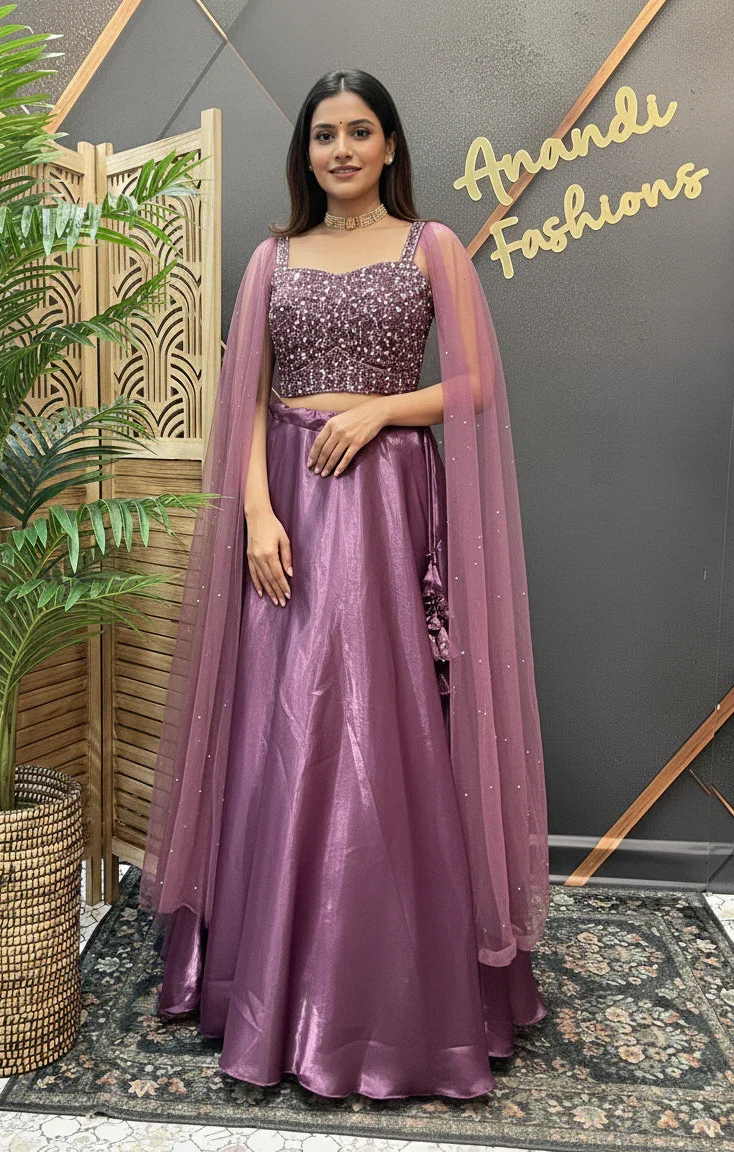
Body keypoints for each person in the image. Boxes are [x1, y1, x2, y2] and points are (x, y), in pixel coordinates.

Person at [139, 68, 551, 1101]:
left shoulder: (434, 248)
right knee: (287, 727)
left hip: (387, 512)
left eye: (360, 132)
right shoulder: (272, 257)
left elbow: (473, 385)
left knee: (392, 724)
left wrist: (377, 412)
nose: (341, 150)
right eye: (324, 135)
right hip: (289, 507)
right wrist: (258, 517)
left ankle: (398, 995)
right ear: (307, 153)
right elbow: (247, 400)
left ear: (390, 146)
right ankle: (267, 984)